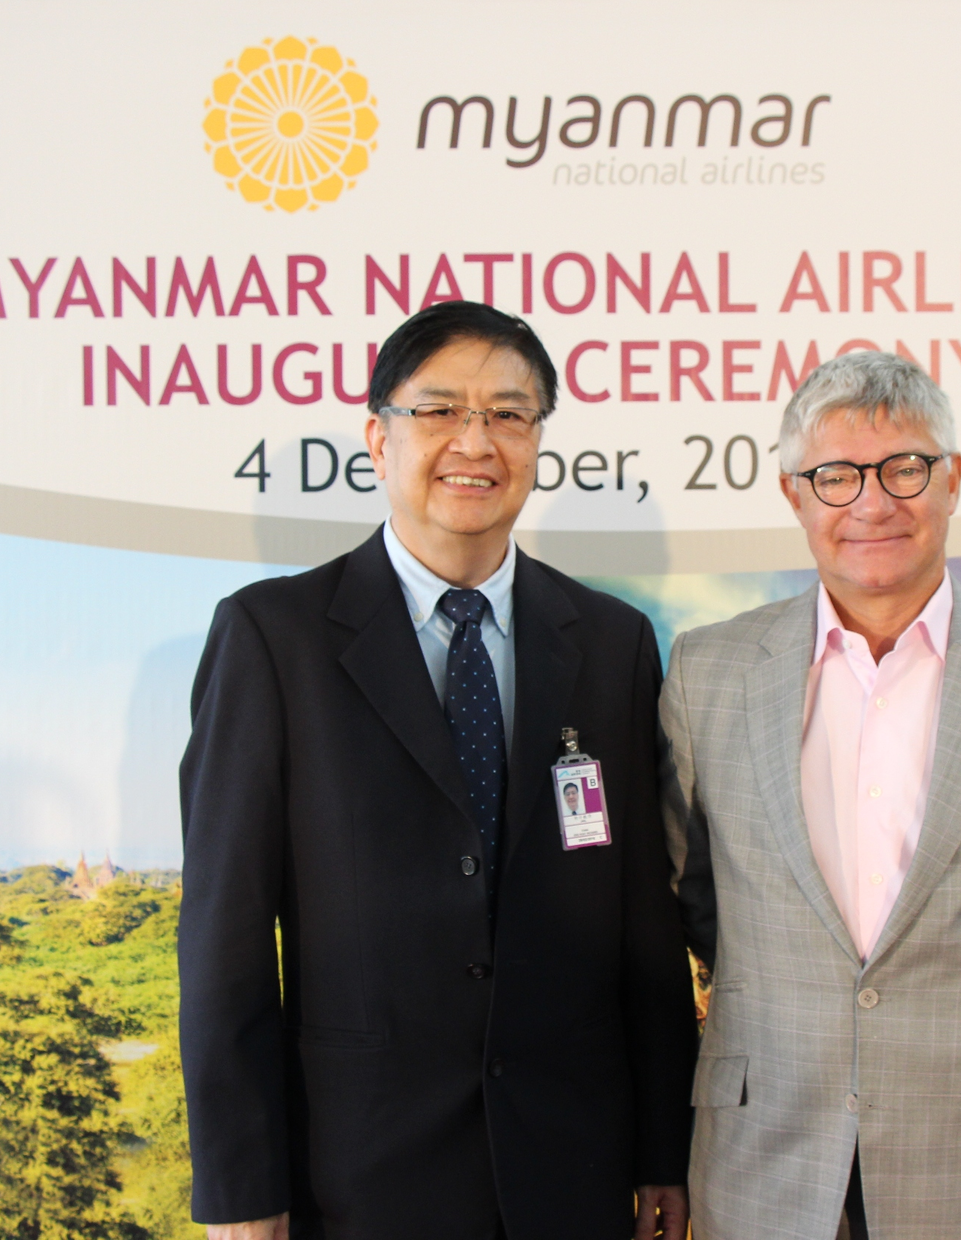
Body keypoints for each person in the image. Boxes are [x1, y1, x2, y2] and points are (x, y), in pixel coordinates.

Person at [179, 301, 697, 1240]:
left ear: (540, 442)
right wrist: (241, 1190)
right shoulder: (272, 640)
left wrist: (666, 1146)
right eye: (440, 410)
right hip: (361, 1174)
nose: (476, 440)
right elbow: (226, 943)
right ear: (378, 438)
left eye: (509, 413)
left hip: (572, 1169)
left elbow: (643, 922)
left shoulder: (612, 643)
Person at [660, 351, 961, 1240]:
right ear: (793, 494)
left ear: (953, 480)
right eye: (835, 476)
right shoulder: (708, 672)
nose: (871, 505)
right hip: (770, 1151)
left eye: (904, 469)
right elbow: (695, 893)